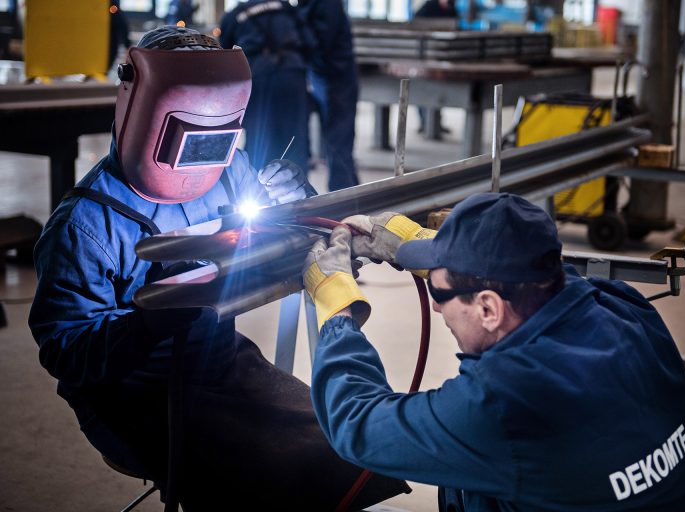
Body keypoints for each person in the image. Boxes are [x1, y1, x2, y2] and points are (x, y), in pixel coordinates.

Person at [28, 26, 407, 510]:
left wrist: (296, 201)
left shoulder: (229, 168)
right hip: (135, 395)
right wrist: (148, 323)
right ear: (144, 110)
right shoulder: (85, 225)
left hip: (223, 362)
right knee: (263, 478)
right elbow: (66, 353)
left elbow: (280, 234)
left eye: (219, 136)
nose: (206, 154)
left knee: (348, 440)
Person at [303, 192, 685, 511]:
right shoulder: (626, 308)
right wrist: (445, 250)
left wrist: (338, 310)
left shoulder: (505, 405)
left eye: (441, 292)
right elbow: (560, 276)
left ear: (488, 307)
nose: (434, 304)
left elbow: (356, 424)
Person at [219, 0, 313, 176]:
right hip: (292, 76)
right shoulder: (286, 8)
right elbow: (309, 42)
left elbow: (225, 55)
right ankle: (299, 194)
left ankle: (258, 191)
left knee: (259, 137)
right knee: (295, 138)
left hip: (258, 77)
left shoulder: (234, 15)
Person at [299, 0, 360, 191]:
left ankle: (345, 198)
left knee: (338, 141)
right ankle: (352, 193)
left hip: (335, 77)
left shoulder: (327, 4)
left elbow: (320, 40)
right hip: (322, 75)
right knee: (335, 141)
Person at [413, 0, 457, 137]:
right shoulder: (429, 7)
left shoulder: (452, 8)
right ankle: (424, 123)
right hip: (424, 54)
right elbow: (415, 25)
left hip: (440, 55)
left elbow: (455, 28)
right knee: (422, 90)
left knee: (438, 92)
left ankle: (435, 124)